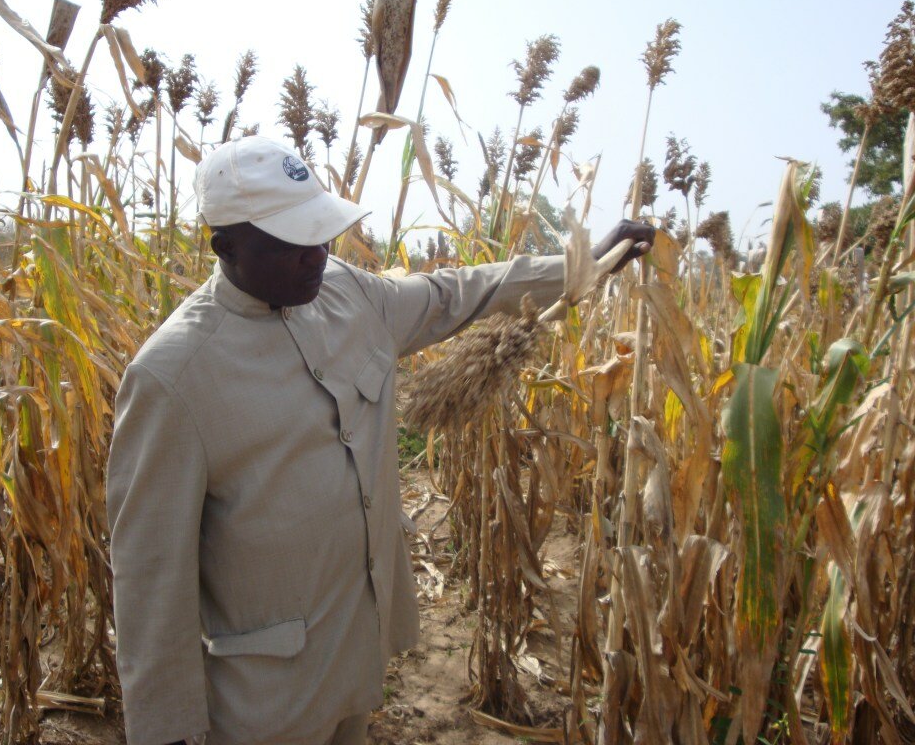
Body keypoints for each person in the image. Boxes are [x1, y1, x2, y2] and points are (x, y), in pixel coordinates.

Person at [106, 136, 654, 745]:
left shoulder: (348, 293)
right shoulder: (173, 376)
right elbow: (151, 578)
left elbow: (456, 294)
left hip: (355, 659)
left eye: (322, 233)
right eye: (292, 242)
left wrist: (582, 266)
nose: (316, 255)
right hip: (260, 702)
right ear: (226, 246)